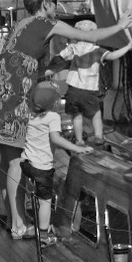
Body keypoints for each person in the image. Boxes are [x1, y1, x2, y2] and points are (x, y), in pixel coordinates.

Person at [0, 0, 132, 239]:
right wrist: (119, 26)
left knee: (10, 160)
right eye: (52, 2)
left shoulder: (22, 23)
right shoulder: (47, 23)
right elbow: (89, 37)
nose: (55, 6)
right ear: (44, 4)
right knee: (16, 161)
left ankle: (16, 220)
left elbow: (21, 61)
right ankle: (19, 225)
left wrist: (51, 69)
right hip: (13, 93)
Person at [20, 80, 92, 247]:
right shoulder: (53, 117)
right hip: (42, 168)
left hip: (26, 163)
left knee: (37, 195)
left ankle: (34, 224)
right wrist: (78, 148)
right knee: (46, 201)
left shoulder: (30, 115)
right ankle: (44, 236)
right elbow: (56, 139)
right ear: (53, 103)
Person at [58, 20, 132, 146]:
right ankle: (98, 137)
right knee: (96, 114)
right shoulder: (97, 50)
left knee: (76, 116)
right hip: (88, 90)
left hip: (72, 90)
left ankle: (79, 141)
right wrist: (127, 47)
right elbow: (113, 56)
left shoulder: (73, 47)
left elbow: (60, 57)